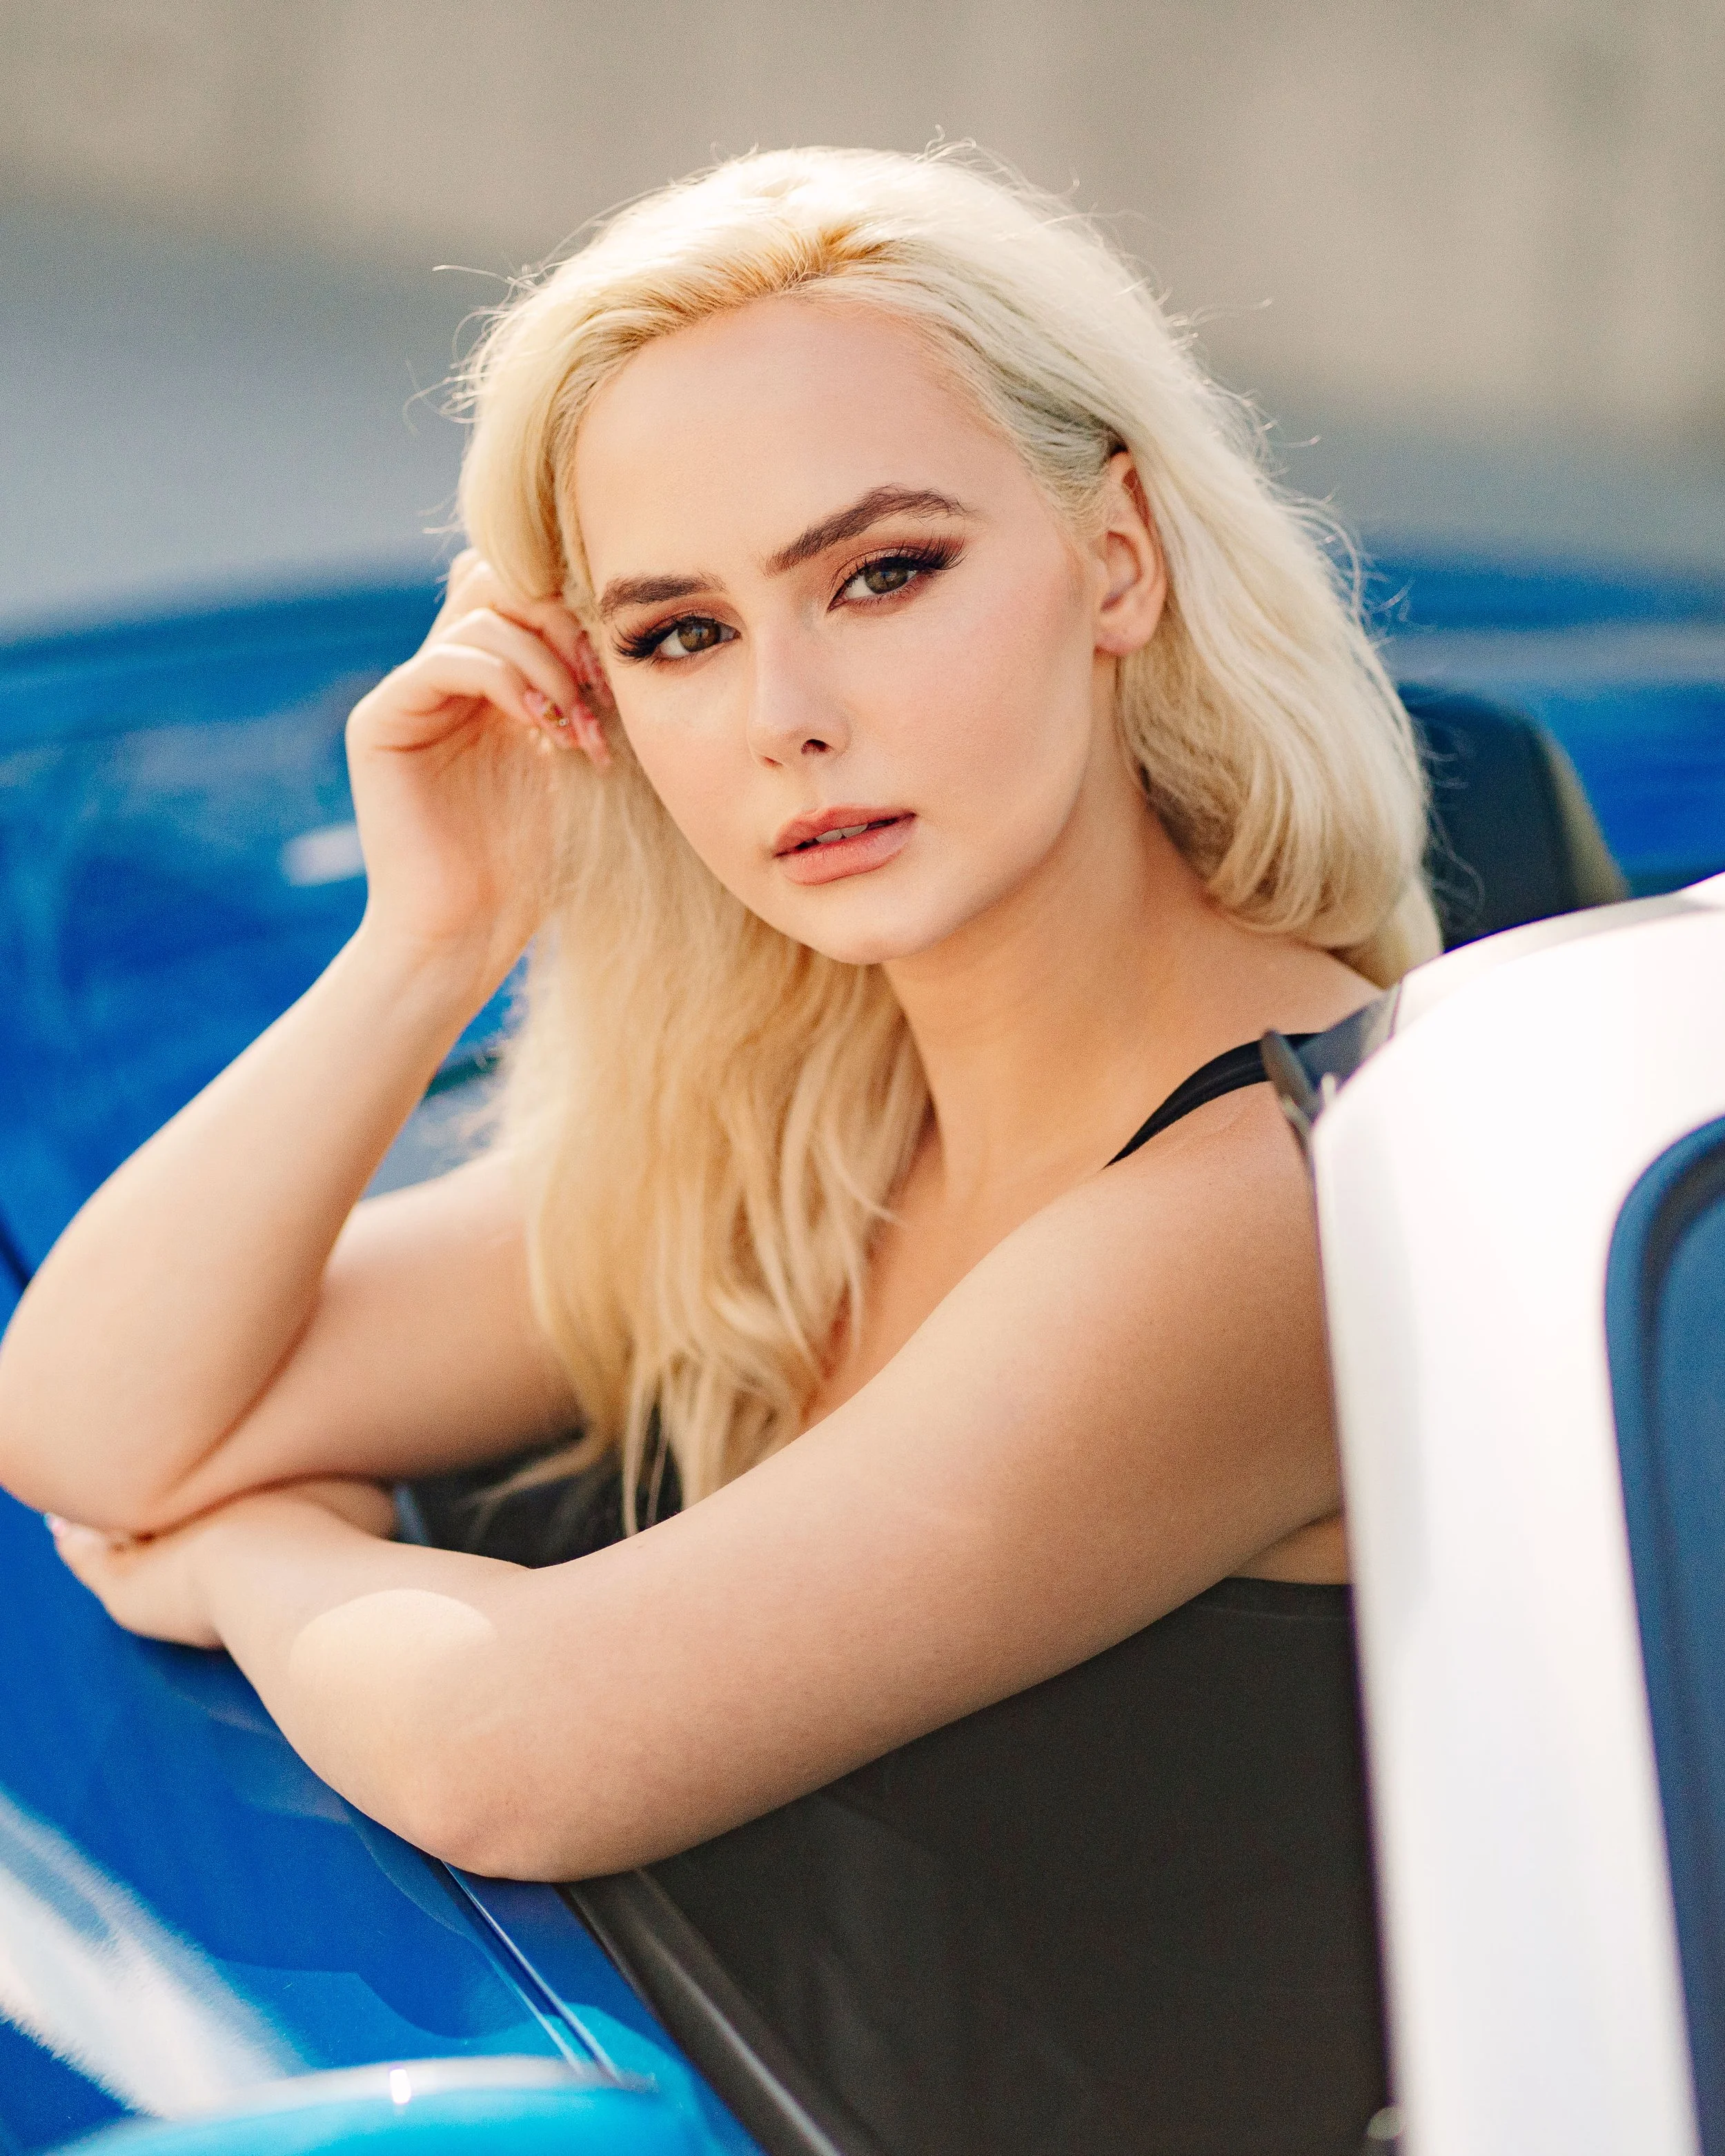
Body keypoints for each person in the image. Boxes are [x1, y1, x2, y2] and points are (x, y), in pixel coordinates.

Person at [0, 148, 1437, 2153]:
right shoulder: (826, 1093)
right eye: (676, 633)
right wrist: (433, 937)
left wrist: (253, 1553)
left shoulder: (1272, 1205)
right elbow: (90, 1418)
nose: (788, 714)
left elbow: (511, 1748)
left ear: (1117, 554)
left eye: (883, 573)